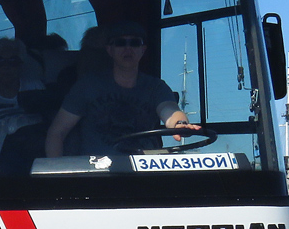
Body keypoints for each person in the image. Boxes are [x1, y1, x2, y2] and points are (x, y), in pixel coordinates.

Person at [45, 21, 200, 158]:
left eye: (134, 43)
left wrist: (179, 123)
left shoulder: (156, 87)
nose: (128, 48)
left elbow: (169, 109)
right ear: (110, 50)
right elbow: (57, 132)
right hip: (97, 176)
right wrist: (59, 178)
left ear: (143, 50)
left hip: (145, 173)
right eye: (120, 43)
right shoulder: (87, 87)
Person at [0, 38, 44, 175]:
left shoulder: (35, 86)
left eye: (13, 61)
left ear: (21, 64)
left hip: (35, 147)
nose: (6, 66)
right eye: (0, 61)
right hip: (1, 153)